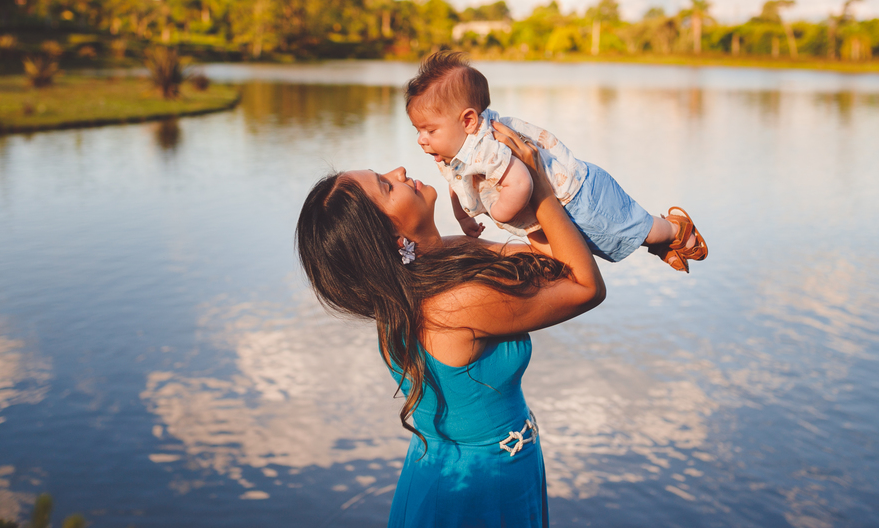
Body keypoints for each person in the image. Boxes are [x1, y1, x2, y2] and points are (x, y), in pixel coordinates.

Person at [296, 122, 605, 527]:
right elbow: (584, 287)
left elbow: (547, 264)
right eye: (386, 187)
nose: (399, 172)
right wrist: (540, 185)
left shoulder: (433, 268)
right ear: (390, 238)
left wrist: (506, 183)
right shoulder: (453, 304)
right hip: (476, 488)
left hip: (485, 468)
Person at [405, 51, 707, 273]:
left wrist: (497, 211)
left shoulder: (488, 146)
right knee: (585, 251)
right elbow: (456, 182)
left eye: (430, 130)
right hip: (548, 211)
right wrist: (463, 217)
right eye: (418, 130)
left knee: (624, 228)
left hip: (577, 197)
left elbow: (521, 183)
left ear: (468, 120)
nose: (422, 139)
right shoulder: (456, 149)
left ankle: (672, 230)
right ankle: (656, 243)